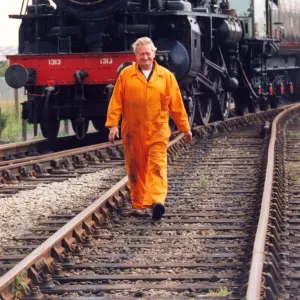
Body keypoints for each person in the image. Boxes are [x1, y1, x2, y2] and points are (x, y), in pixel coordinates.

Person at [105, 37, 192, 220]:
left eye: (148, 53)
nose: (145, 57)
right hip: (132, 131)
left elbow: (176, 104)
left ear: (154, 53)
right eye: (141, 54)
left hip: (158, 129)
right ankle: (139, 205)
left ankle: (157, 201)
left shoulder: (167, 77)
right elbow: (116, 102)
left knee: (157, 165)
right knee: (136, 168)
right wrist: (113, 125)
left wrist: (185, 128)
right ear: (135, 55)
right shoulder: (126, 75)